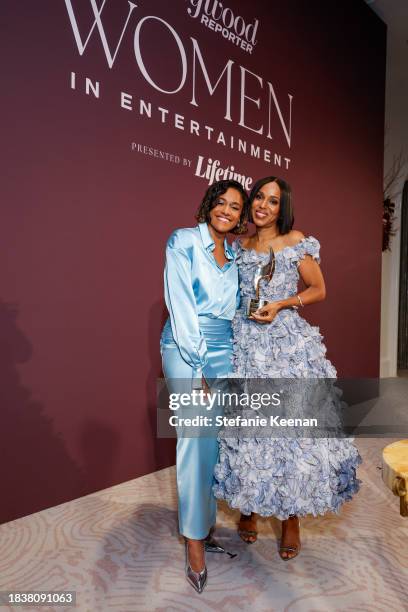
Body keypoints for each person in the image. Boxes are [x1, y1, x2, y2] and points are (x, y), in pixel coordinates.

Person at [213, 176, 361, 560]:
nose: (263, 205)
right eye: (259, 197)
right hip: (244, 344)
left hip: (285, 346)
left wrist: (281, 304)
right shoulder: (238, 245)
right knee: (247, 430)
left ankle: (290, 518)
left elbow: (318, 289)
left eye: (273, 201)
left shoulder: (297, 242)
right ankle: (249, 507)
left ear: (283, 208)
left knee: (291, 432)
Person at [160, 180, 248, 592]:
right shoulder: (182, 241)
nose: (227, 210)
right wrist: (197, 369)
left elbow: (236, 311)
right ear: (209, 204)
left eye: (235, 206)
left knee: (213, 442)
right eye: (221, 202)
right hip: (184, 346)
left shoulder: (234, 254)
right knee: (194, 439)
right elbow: (181, 306)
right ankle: (193, 543)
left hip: (224, 349)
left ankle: (205, 526)